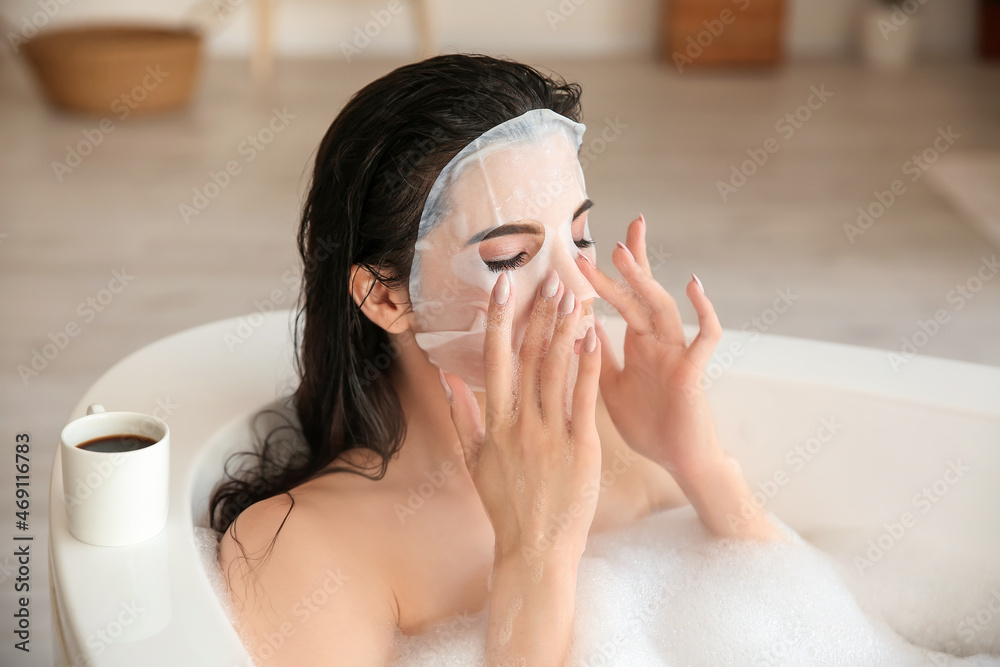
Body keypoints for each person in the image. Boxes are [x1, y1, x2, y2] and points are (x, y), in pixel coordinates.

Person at [212, 53, 782, 667]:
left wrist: (698, 464)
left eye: (580, 238)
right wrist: (533, 556)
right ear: (384, 296)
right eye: (511, 256)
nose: (577, 288)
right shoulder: (302, 546)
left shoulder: (616, 433)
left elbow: (790, 624)